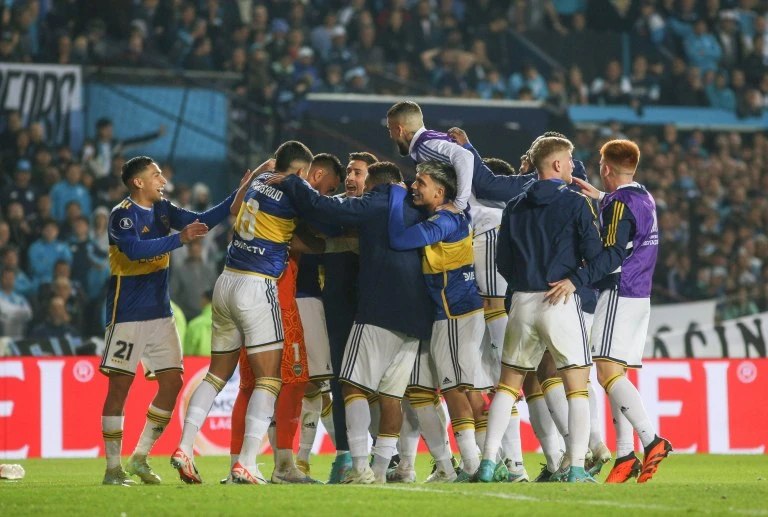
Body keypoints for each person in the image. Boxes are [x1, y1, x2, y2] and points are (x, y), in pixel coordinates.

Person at [274, 161, 433, 484]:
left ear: (374, 185)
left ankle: (360, 467)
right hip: (417, 315)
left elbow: (324, 208)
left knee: (351, 385)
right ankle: (383, 470)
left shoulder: (377, 201)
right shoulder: (417, 207)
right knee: (391, 396)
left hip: (379, 310)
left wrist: (292, 182)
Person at [99, 155, 250, 486]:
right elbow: (134, 250)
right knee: (119, 389)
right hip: (127, 315)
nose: (163, 180)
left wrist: (238, 194)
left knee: (172, 383)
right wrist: (179, 239)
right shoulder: (121, 216)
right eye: (156, 175)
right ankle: (112, 468)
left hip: (161, 314)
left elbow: (202, 220)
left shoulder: (163, 209)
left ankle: (140, 457)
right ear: (138, 182)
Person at [171, 141, 311, 485]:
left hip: (225, 282)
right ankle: (246, 462)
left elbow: (234, 207)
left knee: (215, 375)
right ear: (298, 171)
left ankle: (185, 447)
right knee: (269, 379)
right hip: (257, 285)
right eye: (304, 174)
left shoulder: (258, 183)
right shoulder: (294, 191)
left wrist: (263, 169)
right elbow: (312, 227)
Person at [546, 139, 672, 484]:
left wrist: (578, 278)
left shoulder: (618, 203)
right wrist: (601, 196)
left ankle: (652, 440)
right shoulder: (643, 196)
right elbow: (628, 219)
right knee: (616, 373)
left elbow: (613, 252)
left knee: (605, 372)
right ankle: (625, 455)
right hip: (640, 294)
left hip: (619, 290)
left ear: (605, 168)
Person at [476, 136, 601, 483]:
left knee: (508, 385)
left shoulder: (515, 205)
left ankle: (488, 463)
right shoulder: (575, 202)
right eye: (570, 159)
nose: (573, 165)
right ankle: (576, 467)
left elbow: (503, 262)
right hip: (558, 301)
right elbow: (594, 255)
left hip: (521, 302)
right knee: (576, 385)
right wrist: (575, 279)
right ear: (557, 164)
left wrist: (521, 288)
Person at [387, 161, 485, 482]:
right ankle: (472, 464)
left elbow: (400, 239)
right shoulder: (449, 216)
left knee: (458, 389)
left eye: (421, 182)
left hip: (455, 311)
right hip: (447, 312)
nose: (414, 186)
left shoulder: (445, 220)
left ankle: (474, 464)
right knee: (455, 388)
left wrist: (394, 198)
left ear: (440, 192)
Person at [320, 151, 377, 483]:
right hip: (338, 307)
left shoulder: (382, 210)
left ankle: (392, 456)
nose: (350, 178)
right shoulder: (333, 208)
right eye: (349, 172)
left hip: (376, 306)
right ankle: (344, 456)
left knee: (385, 385)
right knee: (341, 380)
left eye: (358, 172)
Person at [183, 290, 213, 357]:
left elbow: (187, 354)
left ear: (205, 299)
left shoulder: (195, 324)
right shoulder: (230, 324)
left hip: (200, 362)